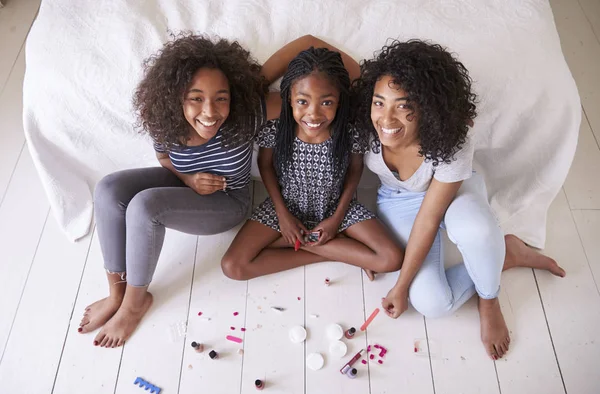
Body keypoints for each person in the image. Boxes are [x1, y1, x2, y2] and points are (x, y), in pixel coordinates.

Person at [77, 33, 336, 348]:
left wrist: (355, 86)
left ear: (233, 96)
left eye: (221, 98)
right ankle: (117, 293)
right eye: (196, 98)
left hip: (229, 201)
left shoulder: (248, 112)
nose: (210, 112)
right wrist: (188, 180)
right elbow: (164, 158)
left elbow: (306, 87)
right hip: (184, 186)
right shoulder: (165, 121)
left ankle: (135, 303)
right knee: (108, 188)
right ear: (176, 97)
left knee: (145, 207)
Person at [352, 40, 565, 360]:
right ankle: (506, 254)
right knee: (433, 303)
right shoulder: (368, 128)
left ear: (428, 105)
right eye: (379, 102)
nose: (387, 118)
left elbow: (429, 218)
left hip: (454, 191)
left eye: (403, 104)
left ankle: (489, 297)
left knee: (475, 230)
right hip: (398, 200)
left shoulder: (452, 139)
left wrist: (400, 285)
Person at [221, 47, 403, 281]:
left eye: (326, 102)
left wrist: (336, 219)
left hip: (336, 208)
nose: (313, 114)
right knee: (233, 266)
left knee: (391, 259)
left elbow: (355, 170)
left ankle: (302, 243)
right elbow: (265, 165)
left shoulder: (350, 132)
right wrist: (283, 216)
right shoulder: (275, 129)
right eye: (302, 102)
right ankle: (338, 253)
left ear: (339, 101)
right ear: (289, 99)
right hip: (287, 207)